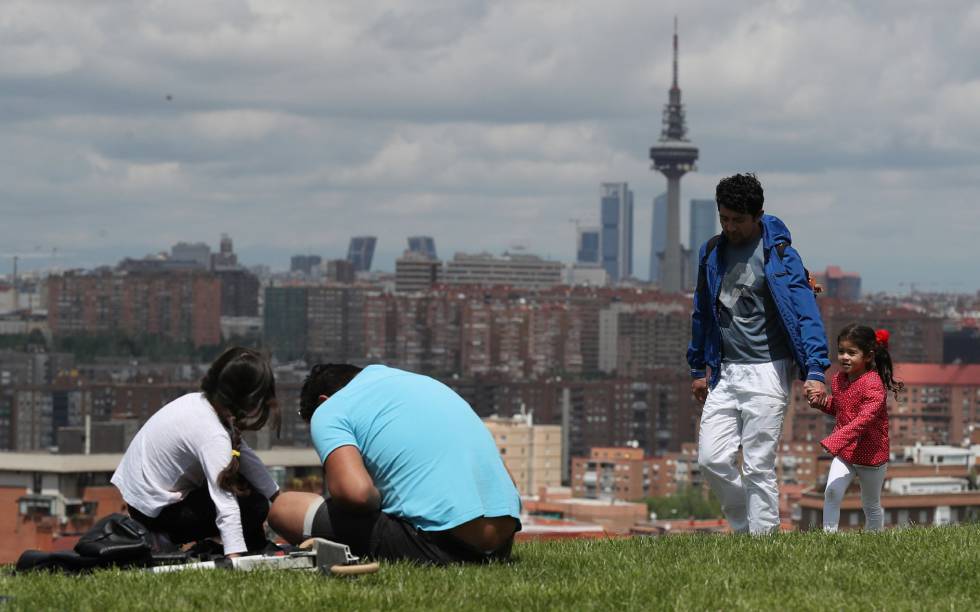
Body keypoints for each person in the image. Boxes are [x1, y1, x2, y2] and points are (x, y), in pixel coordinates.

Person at [688, 172, 831, 534]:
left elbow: (806, 314)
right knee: (710, 459)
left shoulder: (782, 255)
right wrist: (696, 368)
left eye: (737, 220)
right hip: (724, 370)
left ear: (758, 215)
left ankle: (762, 541)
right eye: (724, 218)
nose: (730, 227)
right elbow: (702, 312)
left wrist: (816, 370)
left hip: (768, 369)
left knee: (757, 465)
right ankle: (742, 524)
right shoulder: (710, 252)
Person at [268, 364, 521, 565]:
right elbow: (509, 481)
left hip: (444, 545)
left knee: (284, 508)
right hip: (502, 544)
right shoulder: (422, 384)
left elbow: (355, 494)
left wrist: (380, 499)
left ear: (323, 401)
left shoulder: (330, 408)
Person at [111, 347, 281, 557]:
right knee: (254, 505)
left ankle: (254, 544)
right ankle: (164, 538)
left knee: (250, 489)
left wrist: (277, 496)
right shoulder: (212, 434)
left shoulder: (201, 403)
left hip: (143, 503)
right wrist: (235, 558)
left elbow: (245, 456)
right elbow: (225, 501)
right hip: (154, 514)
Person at [809, 325, 902, 532]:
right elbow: (842, 409)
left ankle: (874, 540)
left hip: (871, 455)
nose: (844, 357)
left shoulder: (874, 385)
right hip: (846, 452)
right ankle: (829, 537)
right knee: (832, 492)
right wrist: (821, 403)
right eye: (841, 351)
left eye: (852, 353)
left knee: (870, 504)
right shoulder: (838, 379)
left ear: (868, 356)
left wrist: (835, 439)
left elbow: (863, 420)